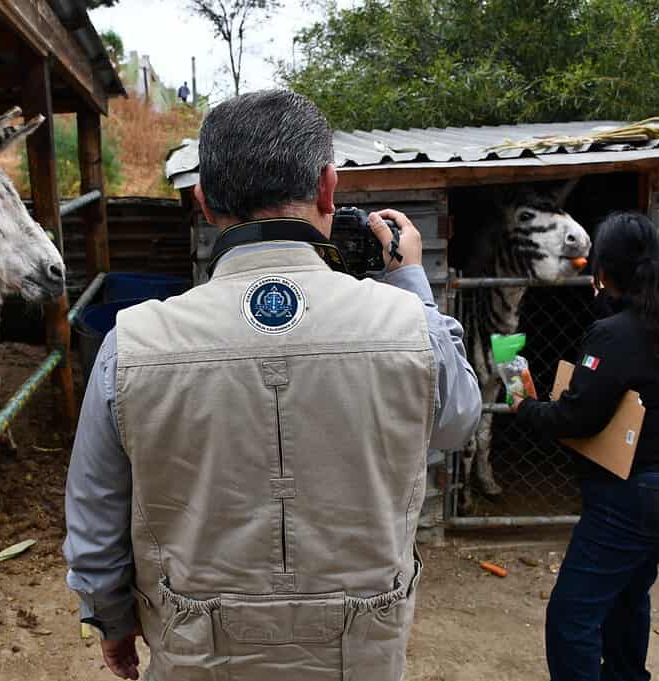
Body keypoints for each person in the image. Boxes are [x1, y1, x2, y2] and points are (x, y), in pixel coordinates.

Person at [64, 89, 481, 681]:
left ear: (204, 204)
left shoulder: (129, 344)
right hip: (360, 650)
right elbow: (459, 420)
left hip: (196, 650)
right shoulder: (410, 325)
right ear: (327, 189)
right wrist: (410, 279)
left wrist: (109, 619)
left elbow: (96, 510)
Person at [511, 211, 659, 681]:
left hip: (633, 495)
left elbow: (576, 419)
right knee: (627, 596)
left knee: (571, 617)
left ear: (603, 270)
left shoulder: (614, 334)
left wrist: (524, 405)